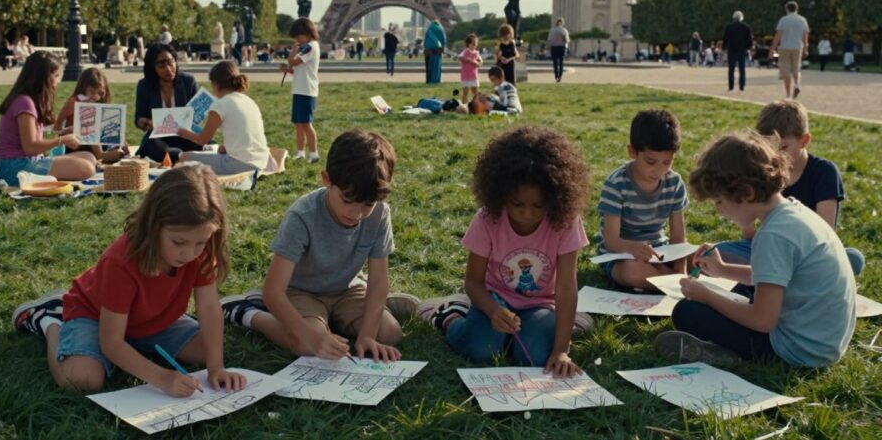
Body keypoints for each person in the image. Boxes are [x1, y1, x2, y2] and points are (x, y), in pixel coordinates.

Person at [11, 166, 247, 395]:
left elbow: (208, 306)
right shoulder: (122, 261)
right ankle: (51, 319)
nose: (189, 254)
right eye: (178, 242)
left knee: (209, 349)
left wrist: (216, 367)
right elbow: (111, 342)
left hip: (151, 321)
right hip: (94, 316)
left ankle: (134, 345)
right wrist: (161, 378)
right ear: (154, 226)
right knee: (82, 379)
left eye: (201, 242)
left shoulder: (200, 252)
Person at [654, 132, 856, 368]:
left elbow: (762, 320)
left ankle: (726, 355)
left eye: (720, 201)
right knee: (738, 291)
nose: (719, 211)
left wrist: (706, 296)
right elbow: (775, 275)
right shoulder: (792, 213)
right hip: (822, 343)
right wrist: (723, 270)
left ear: (746, 193)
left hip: (798, 351)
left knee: (687, 312)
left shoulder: (774, 235)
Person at [221, 130, 419, 362]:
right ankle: (249, 311)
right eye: (347, 200)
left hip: (348, 289)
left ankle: (354, 315)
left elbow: (378, 280)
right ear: (326, 179)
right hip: (300, 291)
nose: (356, 214)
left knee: (389, 333)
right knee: (305, 345)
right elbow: (273, 291)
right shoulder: (302, 216)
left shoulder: (379, 214)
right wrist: (311, 337)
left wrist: (367, 336)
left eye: (368, 204)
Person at [415, 127, 591, 373]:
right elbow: (474, 282)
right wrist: (494, 310)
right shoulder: (488, 219)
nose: (527, 214)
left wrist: (561, 350)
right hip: (494, 301)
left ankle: (560, 326)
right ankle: (449, 314)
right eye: (517, 204)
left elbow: (565, 287)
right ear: (500, 194)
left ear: (555, 199)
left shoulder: (565, 221)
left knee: (536, 357)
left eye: (538, 206)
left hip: (540, 305)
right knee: (480, 349)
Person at [712, 100, 865, 275]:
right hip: (769, 247)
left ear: (804, 140)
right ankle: (773, 275)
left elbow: (826, 232)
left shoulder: (825, 172)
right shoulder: (764, 171)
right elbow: (750, 236)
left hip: (808, 252)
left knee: (853, 258)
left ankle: (771, 275)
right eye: (769, 148)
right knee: (717, 252)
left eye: (783, 147)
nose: (776, 154)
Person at [595, 109, 688, 291]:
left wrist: (680, 267)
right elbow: (611, 240)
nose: (659, 171)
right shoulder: (616, 184)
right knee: (632, 272)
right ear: (632, 151)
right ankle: (678, 284)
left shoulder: (674, 182)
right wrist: (633, 248)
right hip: (621, 253)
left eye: (667, 162)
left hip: (660, 249)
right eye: (650, 162)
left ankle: (671, 280)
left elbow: (679, 239)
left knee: (704, 255)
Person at [0, 52, 97, 187]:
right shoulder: (24, 103)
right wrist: (62, 140)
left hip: (27, 160)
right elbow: (30, 147)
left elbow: (34, 138)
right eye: (55, 76)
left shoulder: (29, 100)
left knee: (90, 157)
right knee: (87, 168)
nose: (58, 81)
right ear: (42, 78)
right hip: (15, 167)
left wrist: (62, 133)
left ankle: (53, 176)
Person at [177, 61, 270, 176]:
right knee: (219, 149)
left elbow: (202, 140)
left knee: (184, 157)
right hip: (262, 161)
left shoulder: (220, 104)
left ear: (215, 84)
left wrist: (182, 132)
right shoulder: (249, 101)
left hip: (241, 165)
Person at [133, 44, 202, 164]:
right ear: (152, 68)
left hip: (185, 135)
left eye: (171, 63)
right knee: (151, 144)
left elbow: (197, 116)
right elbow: (138, 118)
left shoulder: (188, 81)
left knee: (201, 140)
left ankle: (176, 155)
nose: (169, 69)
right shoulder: (144, 86)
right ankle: (178, 155)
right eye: (161, 66)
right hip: (159, 137)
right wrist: (146, 122)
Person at [54, 67, 126, 163]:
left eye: (100, 93)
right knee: (92, 128)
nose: (96, 96)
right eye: (92, 92)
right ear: (84, 88)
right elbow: (58, 124)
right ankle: (101, 155)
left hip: (98, 141)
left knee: (115, 135)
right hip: (77, 143)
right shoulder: (74, 101)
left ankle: (113, 152)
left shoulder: (100, 102)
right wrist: (67, 131)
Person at [280, 18, 321, 164]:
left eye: (298, 36)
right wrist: (288, 70)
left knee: (306, 123)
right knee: (298, 123)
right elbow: (299, 69)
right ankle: (300, 152)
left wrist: (293, 51)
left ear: (307, 33)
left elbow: (293, 61)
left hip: (306, 91)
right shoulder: (308, 47)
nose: (297, 40)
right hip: (300, 89)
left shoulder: (310, 47)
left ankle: (314, 153)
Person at [769, 1, 810, 99]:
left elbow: (778, 36)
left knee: (785, 70)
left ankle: (788, 94)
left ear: (787, 9)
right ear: (797, 9)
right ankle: (797, 84)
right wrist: (805, 48)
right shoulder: (802, 20)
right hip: (797, 47)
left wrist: (772, 49)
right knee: (796, 68)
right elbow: (805, 37)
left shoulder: (783, 20)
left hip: (785, 47)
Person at [722, 10, 753, 92]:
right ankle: (742, 86)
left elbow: (725, 38)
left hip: (731, 49)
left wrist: (724, 47)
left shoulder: (729, 27)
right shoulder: (746, 27)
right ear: (741, 18)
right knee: (742, 69)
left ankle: (731, 86)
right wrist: (748, 46)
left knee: (731, 69)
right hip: (742, 49)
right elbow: (749, 39)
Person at [458, 34, 483, 104]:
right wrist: (469, 60)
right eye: (473, 44)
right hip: (466, 75)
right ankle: (464, 105)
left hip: (474, 75)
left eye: (475, 44)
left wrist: (478, 64)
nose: (474, 45)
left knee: (475, 90)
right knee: (465, 91)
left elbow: (481, 61)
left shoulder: (476, 53)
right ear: (468, 44)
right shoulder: (465, 52)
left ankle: (476, 104)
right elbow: (460, 58)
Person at [546, 18, 570, 83]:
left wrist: (548, 47)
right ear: (562, 23)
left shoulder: (552, 30)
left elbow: (549, 40)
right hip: (562, 48)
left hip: (554, 48)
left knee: (555, 63)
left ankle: (556, 75)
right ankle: (560, 75)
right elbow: (567, 40)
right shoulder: (564, 31)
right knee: (561, 62)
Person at [424, 19, 446, 85]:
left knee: (429, 66)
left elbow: (425, 41)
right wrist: (442, 48)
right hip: (437, 50)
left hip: (428, 50)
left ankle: (429, 80)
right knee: (437, 66)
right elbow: (444, 39)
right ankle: (436, 80)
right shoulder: (440, 29)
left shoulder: (429, 29)